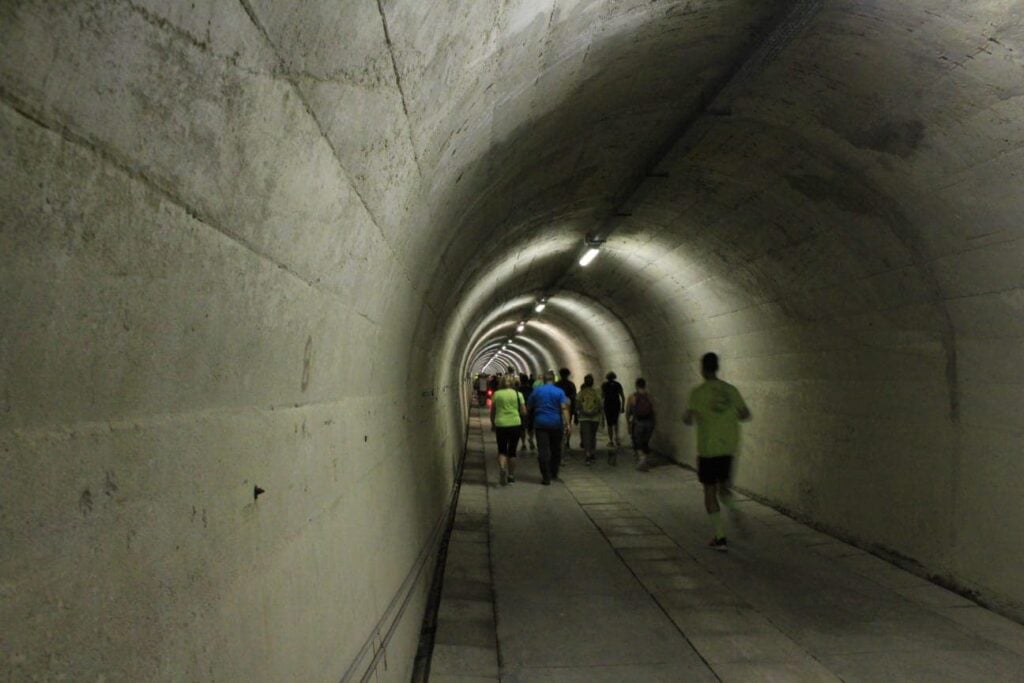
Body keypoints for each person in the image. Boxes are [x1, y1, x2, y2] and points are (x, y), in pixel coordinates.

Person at [683, 352, 751, 552]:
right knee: (724, 488)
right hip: (728, 448)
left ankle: (720, 536)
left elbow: (688, 419)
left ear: (702, 369)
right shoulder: (731, 390)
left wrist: (693, 416)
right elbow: (745, 414)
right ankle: (734, 509)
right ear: (717, 367)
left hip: (708, 450)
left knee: (710, 492)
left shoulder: (697, 393)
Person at [527, 370, 571, 485]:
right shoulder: (559, 392)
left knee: (543, 451)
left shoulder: (537, 391)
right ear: (554, 379)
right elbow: (564, 408)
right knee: (556, 449)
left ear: (543, 380)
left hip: (540, 423)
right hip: (556, 424)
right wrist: (568, 423)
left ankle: (546, 477)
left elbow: (529, 406)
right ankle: (554, 473)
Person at [490, 374, 526, 486]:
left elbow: (492, 411)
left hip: (500, 424)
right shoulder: (518, 394)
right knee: (512, 451)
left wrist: (493, 423)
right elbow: (524, 411)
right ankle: (511, 476)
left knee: (502, 450)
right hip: (515, 423)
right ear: (513, 383)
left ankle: (502, 469)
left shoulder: (496, 394)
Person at [626, 378, 656, 471]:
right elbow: (654, 411)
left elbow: (628, 412)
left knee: (637, 442)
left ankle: (642, 458)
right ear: (645, 385)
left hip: (638, 422)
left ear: (636, 385)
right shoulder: (649, 396)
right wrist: (655, 422)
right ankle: (645, 459)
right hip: (649, 422)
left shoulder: (632, 397)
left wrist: (628, 424)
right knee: (645, 442)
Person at [575, 374, 603, 465]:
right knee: (593, 436)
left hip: (584, 418)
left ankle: (587, 455)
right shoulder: (596, 392)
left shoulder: (581, 393)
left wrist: (579, 413)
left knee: (586, 437)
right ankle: (593, 454)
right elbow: (600, 405)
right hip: (595, 418)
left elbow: (577, 405)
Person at [555, 367, 577, 450]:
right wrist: (575, 412)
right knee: (568, 424)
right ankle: (567, 441)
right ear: (568, 375)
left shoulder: (556, 384)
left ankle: (561, 440)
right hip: (568, 407)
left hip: (558, 407)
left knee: (559, 424)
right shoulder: (571, 384)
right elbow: (574, 397)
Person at [602, 371, 626, 448]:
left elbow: (602, 396)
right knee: (615, 423)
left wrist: (601, 408)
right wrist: (622, 406)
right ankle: (617, 439)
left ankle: (611, 440)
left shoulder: (604, 385)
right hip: (616, 405)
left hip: (607, 405)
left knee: (609, 424)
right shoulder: (618, 385)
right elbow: (622, 396)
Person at [518, 372, 536, 450]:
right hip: (531, 410)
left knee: (522, 428)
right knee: (531, 427)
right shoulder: (532, 389)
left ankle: (523, 443)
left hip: (521, 411)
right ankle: (531, 439)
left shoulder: (518, 390)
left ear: (520, 381)